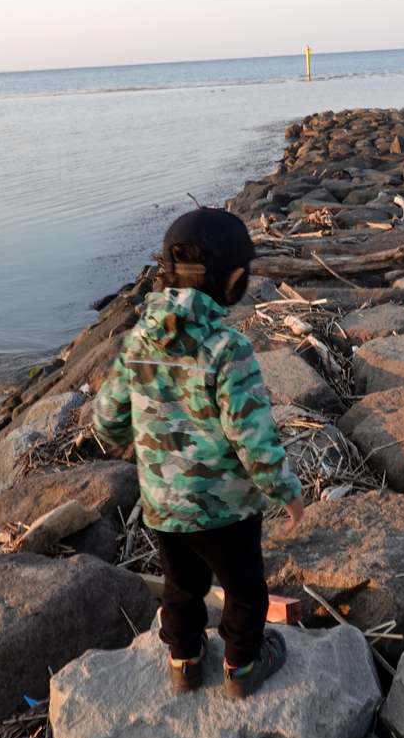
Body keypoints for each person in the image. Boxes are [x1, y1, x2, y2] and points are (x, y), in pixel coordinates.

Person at [92, 208, 304, 699]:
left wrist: (144, 440)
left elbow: (106, 419)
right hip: (226, 508)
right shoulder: (229, 348)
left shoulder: (138, 338)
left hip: (164, 505)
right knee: (245, 589)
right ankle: (242, 667)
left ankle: (184, 662)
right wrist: (286, 491)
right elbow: (253, 439)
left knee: (181, 588)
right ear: (234, 279)